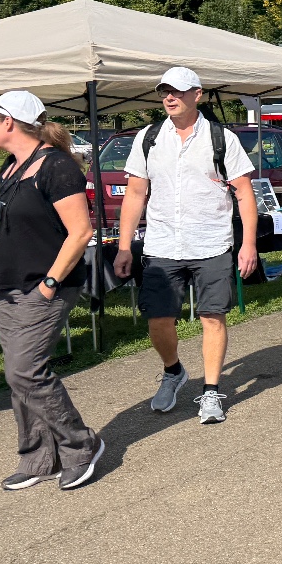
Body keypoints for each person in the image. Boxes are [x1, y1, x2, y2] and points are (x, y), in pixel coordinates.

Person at [115, 68, 259, 424]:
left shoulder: (221, 138)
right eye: (164, 91)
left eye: (177, 91)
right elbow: (135, 194)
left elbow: (244, 193)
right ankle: (173, 371)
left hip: (211, 243)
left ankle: (210, 392)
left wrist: (249, 244)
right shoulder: (148, 138)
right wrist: (122, 247)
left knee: (212, 316)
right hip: (163, 244)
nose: (169, 97)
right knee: (158, 320)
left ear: (198, 94)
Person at [0, 91, 101, 490]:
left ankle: (81, 445)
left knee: (26, 371)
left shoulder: (58, 167)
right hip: (6, 287)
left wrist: (49, 284)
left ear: (9, 122)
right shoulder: (12, 167)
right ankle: (38, 457)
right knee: (17, 378)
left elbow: (81, 232)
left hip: (42, 287)